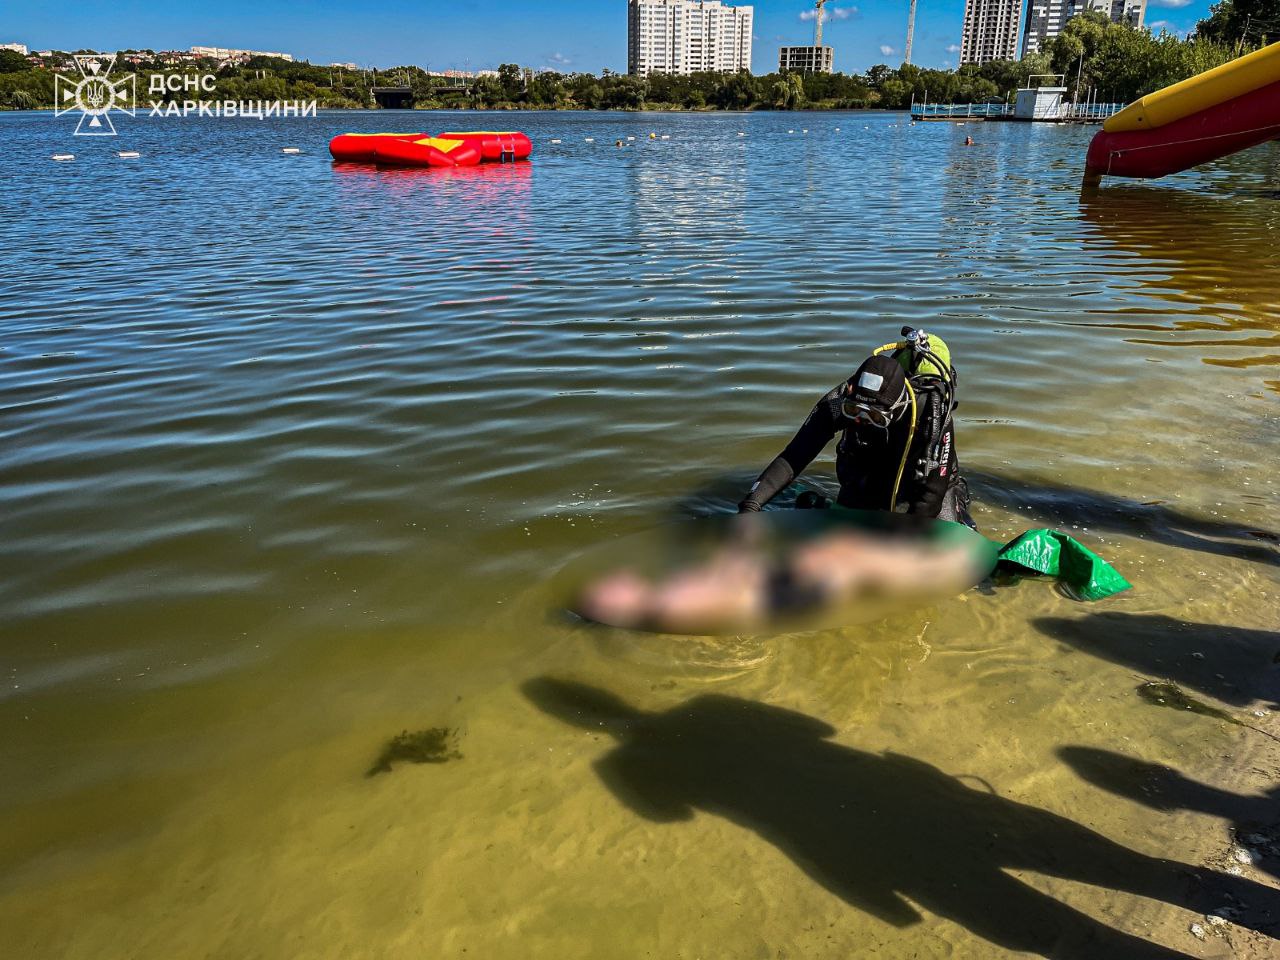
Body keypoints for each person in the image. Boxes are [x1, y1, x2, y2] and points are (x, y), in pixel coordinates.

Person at [738, 328, 973, 526]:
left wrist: (904, 543)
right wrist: (752, 504)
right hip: (870, 472)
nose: (861, 420)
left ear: (899, 405)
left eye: (876, 417)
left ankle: (960, 504)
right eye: (854, 412)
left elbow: (931, 493)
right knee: (850, 528)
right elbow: (796, 453)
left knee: (936, 533)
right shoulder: (841, 400)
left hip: (924, 478)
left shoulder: (930, 412)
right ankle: (823, 506)